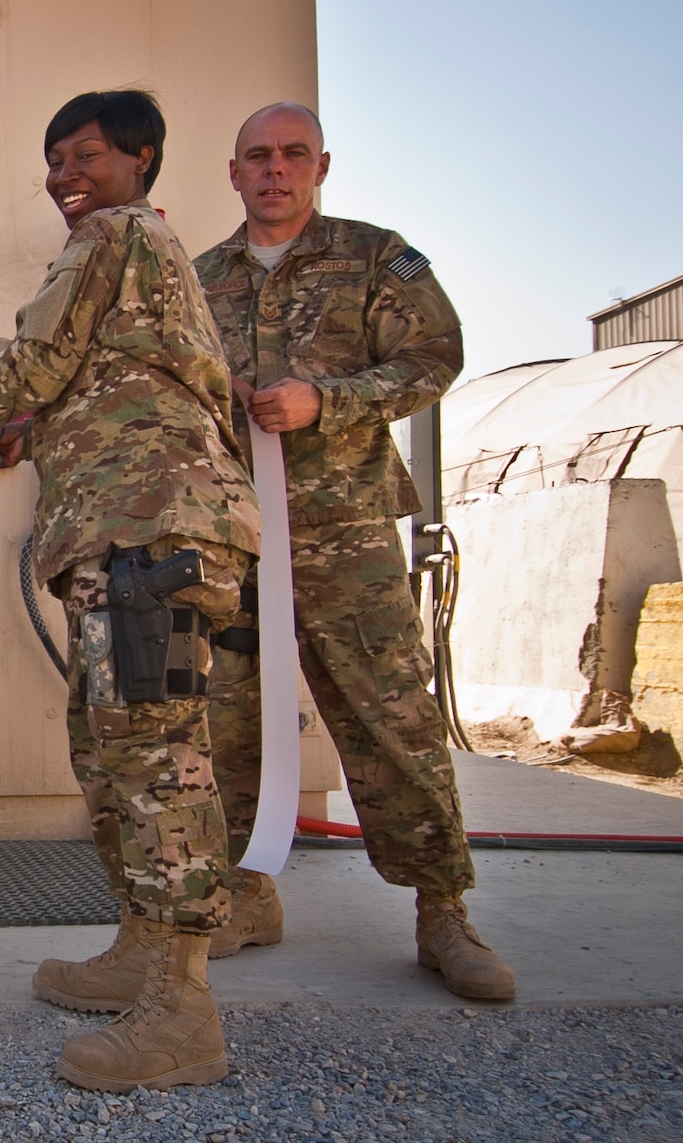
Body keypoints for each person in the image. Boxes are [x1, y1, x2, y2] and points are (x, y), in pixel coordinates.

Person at [0, 91, 260, 1090]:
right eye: (55, 160)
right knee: (112, 751)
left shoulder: (116, 233)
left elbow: (34, 360)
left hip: (151, 534)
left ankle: (181, 1010)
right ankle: (141, 956)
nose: (67, 177)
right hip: (120, 537)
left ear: (138, 158)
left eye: (87, 155)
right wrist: (22, 433)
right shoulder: (145, 257)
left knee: (155, 759)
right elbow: (92, 385)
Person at [192, 102, 514, 1000]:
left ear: (321, 165)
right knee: (226, 723)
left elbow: (434, 359)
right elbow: (171, 385)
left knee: (391, 719)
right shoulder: (201, 277)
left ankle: (443, 914)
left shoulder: (378, 257)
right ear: (233, 172)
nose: (275, 169)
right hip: (236, 536)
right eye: (257, 155)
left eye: (293, 154)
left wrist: (325, 399)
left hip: (347, 536)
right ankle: (245, 892)